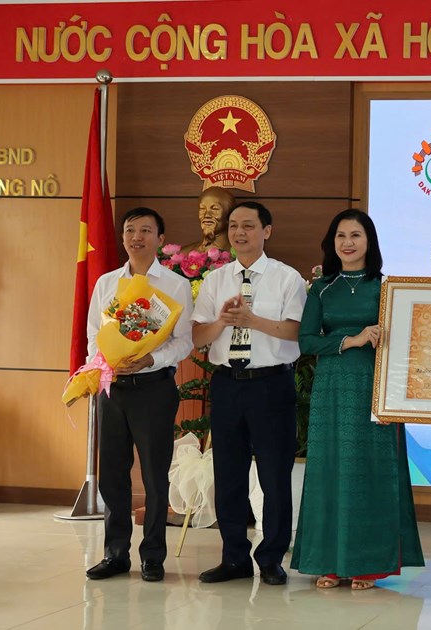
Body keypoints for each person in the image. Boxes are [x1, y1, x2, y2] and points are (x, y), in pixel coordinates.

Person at [291, 209, 425, 590]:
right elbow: (307, 341)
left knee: (370, 470)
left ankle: (367, 563)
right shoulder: (322, 288)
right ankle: (329, 563)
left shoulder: (387, 288)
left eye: (356, 235)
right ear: (332, 243)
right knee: (330, 468)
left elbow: (408, 340)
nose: (348, 243)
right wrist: (352, 339)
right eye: (340, 236)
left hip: (376, 386)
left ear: (370, 242)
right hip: (332, 386)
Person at [191, 200, 306, 586]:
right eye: (235, 226)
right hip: (226, 384)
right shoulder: (216, 279)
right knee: (229, 476)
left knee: (274, 477)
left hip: (271, 385)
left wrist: (252, 320)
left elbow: (295, 333)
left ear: (266, 231)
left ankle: (271, 558)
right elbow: (199, 339)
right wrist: (223, 321)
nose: (240, 233)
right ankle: (234, 557)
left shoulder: (287, 278)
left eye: (249, 226)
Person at [84, 207, 194, 583]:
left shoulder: (176, 285)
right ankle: (115, 554)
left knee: (154, 473)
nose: (137, 237)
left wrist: (150, 357)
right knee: (112, 474)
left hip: (153, 389)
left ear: (160, 239)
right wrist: (100, 368)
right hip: (112, 389)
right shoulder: (106, 283)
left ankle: (153, 556)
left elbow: (185, 343)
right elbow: (92, 335)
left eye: (146, 230)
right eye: (131, 230)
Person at [185, 186, 234, 253]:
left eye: (215, 209)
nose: (207, 215)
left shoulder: (239, 256)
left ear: (229, 214)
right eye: (202, 209)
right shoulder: (184, 254)